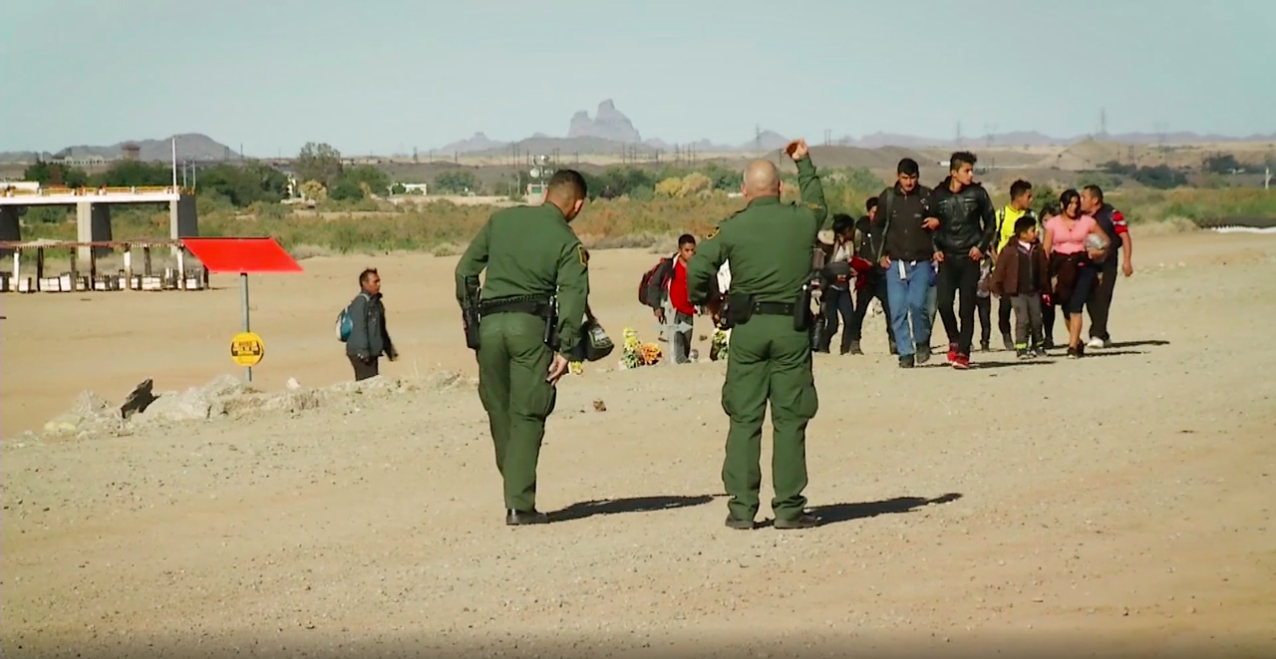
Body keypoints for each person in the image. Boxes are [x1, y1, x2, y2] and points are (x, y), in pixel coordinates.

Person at [685, 138, 827, 531]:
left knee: (745, 418)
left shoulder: (733, 226)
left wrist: (709, 301)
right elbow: (819, 204)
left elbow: (697, 268)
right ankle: (788, 508)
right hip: (791, 330)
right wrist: (804, 162)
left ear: (745, 191)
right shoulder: (802, 220)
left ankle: (742, 508)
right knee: (790, 418)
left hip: (747, 329)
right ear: (779, 189)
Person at [453, 169, 592, 526]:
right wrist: (567, 349)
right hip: (530, 328)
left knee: (499, 410)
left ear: (546, 192)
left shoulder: (501, 220)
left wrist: (472, 321)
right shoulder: (567, 242)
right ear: (577, 205)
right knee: (529, 412)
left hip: (490, 326)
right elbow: (574, 297)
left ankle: (513, 488)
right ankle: (519, 505)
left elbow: (464, 272)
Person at [929, 151, 997, 369]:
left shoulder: (978, 194)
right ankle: (954, 339)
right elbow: (928, 224)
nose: (970, 174)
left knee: (967, 307)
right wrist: (935, 248)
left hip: (970, 256)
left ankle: (963, 353)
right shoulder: (938, 195)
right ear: (953, 172)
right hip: (947, 257)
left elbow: (990, 223)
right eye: (966, 170)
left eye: (971, 170)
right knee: (944, 304)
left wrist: (981, 247)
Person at [875, 158, 936, 368]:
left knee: (918, 304)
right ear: (897, 176)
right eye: (905, 178)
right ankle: (905, 352)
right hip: (895, 263)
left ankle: (921, 341)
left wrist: (938, 222)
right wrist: (880, 255)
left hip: (921, 262)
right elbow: (876, 228)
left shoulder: (927, 197)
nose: (909, 182)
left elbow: (941, 221)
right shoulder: (888, 198)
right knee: (898, 309)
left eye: (912, 178)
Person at [1042, 189, 1110, 358]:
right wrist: (1046, 274)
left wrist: (1098, 253)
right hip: (1061, 266)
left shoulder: (1088, 222)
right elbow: (1045, 250)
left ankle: (1072, 346)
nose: (1073, 207)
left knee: (1076, 305)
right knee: (1066, 306)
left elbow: (1106, 241)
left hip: (1083, 265)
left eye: (1076, 203)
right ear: (1062, 205)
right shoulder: (1053, 224)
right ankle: (1076, 339)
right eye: (1070, 203)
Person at [1079, 184, 1133, 349]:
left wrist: (1127, 260)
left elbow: (1124, 236)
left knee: (1103, 297)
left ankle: (1096, 334)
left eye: (1084, 197)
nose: (1080, 201)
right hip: (1087, 262)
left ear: (1095, 200)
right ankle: (1103, 334)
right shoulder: (1081, 216)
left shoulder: (1112, 214)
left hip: (1108, 262)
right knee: (1089, 297)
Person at [990, 215, 1050, 359]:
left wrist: (1046, 289)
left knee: (1037, 319)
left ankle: (1038, 346)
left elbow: (1043, 270)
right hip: (1017, 292)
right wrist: (996, 286)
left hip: (1034, 291)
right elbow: (1000, 269)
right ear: (1022, 234)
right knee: (1023, 320)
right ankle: (1021, 347)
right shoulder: (1009, 250)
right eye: (1032, 230)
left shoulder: (1037, 249)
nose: (1035, 233)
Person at [844, 197, 895, 355]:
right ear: (868, 212)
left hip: (882, 275)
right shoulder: (860, 229)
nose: (876, 215)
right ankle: (854, 343)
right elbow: (852, 251)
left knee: (890, 310)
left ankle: (894, 342)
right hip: (865, 277)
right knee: (859, 310)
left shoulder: (887, 229)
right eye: (874, 212)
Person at [991, 180, 1035, 351]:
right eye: (1028, 196)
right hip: (1005, 269)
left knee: (1027, 305)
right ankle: (1006, 333)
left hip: (1025, 268)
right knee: (1005, 306)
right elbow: (991, 242)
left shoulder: (1031, 216)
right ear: (1018, 197)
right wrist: (997, 263)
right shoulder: (1001, 215)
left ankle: (1024, 338)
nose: (1030, 200)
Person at [344, 268, 398, 381]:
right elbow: (359, 328)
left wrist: (390, 350)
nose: (378, 284)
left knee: (372, 381)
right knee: (367, 383)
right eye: (375, 282)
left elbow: (382, 329)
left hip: (372, 352)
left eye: (379, 281)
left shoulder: (377, 304)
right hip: (360, 353)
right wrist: (363, 352)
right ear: (364, 284)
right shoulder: (360, 302)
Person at [814, 214, 856, 354]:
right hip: (830, 288)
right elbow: (821, 267)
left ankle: (845, 348)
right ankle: (823, 346)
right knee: (832, 323)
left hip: (844, 287)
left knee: (849, 319)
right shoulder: (828, 245)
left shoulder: (849, 245)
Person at [654, 234, 698, 363]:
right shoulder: (669, 266)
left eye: (692, 250)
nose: (690, 253)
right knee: (676, 340)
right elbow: (654, 284)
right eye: (687, 250)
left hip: (689, 309)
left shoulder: (697, 265)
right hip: (673, 309)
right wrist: (656, 306)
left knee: (686, 339)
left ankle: (682, 362)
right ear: (680, 250)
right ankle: (678, 364)